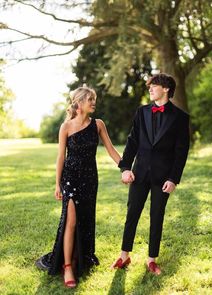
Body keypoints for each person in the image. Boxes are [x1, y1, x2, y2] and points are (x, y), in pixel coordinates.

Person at [36, 86, 120, 288]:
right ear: (79, 103)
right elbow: (60, 157)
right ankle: (67, 267)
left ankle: (78, 257)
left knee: (85, 219)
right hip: (70, 179)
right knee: (71, 220)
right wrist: (57, 184)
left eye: (94, 99)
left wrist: (126, 168)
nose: (94, 102)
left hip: (90, 179)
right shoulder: (66, 127)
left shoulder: (98, 124)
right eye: (90, 99)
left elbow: (111, 150)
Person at [112, 73, 190, 275]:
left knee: (157, 216)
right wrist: (125, 167)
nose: (150, 89)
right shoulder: (142, 112)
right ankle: (124, 256)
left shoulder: (181, 118)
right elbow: (132, 142)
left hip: (163, 177)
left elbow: (181, 152)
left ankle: (151, 260)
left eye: (153, 86)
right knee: (132, 214)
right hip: (139, 173)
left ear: (165, 88)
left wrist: (173, 179)